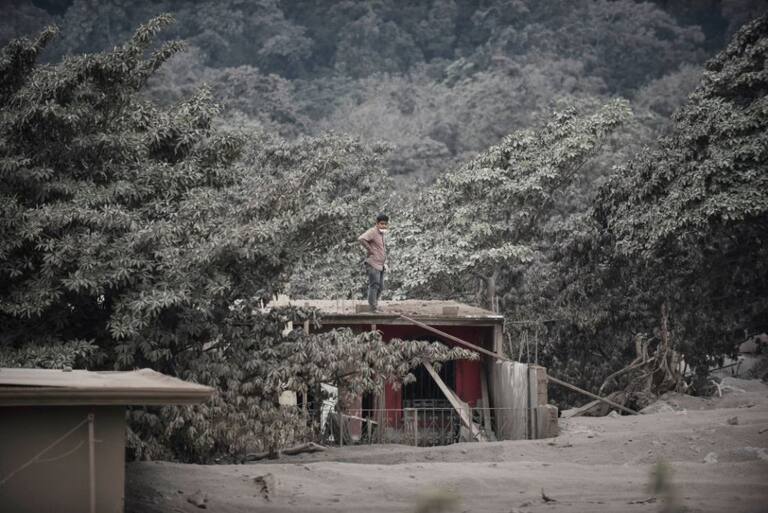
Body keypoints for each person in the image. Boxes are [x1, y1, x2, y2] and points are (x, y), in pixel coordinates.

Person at [358, 214, 388, 312]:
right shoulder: (373, 231)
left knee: (381, 286)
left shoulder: (381, 234)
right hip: (373, 263)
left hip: (381, 264)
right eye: (382, 224)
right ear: (377, 223)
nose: (383, 226)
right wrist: (369, 249)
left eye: (385, 224)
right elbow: (361, 239)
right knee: (374, 285)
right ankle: (373, 307)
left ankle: (375, 305)